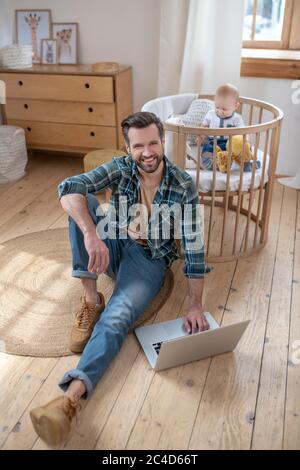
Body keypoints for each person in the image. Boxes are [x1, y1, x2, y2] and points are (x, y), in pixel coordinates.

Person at [29, 111, 212, 446]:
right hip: (112, 238)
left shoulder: (183, 186)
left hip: (148, 259)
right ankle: (90, 299)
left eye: (153, 143)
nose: (147, 152)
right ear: (128, 148)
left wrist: (195, 305)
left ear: (162, 141)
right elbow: (68, 187)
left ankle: (69, 399)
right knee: (80, 200)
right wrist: (90, 234)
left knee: (117, 317)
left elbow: (195, 251)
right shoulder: (121, 168)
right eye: (138, 145)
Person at [200, 84, 260, 172]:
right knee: (207, 149)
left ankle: (245, 164)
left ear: (236, 106)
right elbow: (204, 126)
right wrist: (201, 135)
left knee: (238, 151)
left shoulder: (237, 119)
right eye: (217, 107)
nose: (220, 111)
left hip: (229, 143)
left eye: (224, 109)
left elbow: (244, 131)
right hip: (212, 141)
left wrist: (246, 140)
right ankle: (213, 164)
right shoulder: (211, 114)